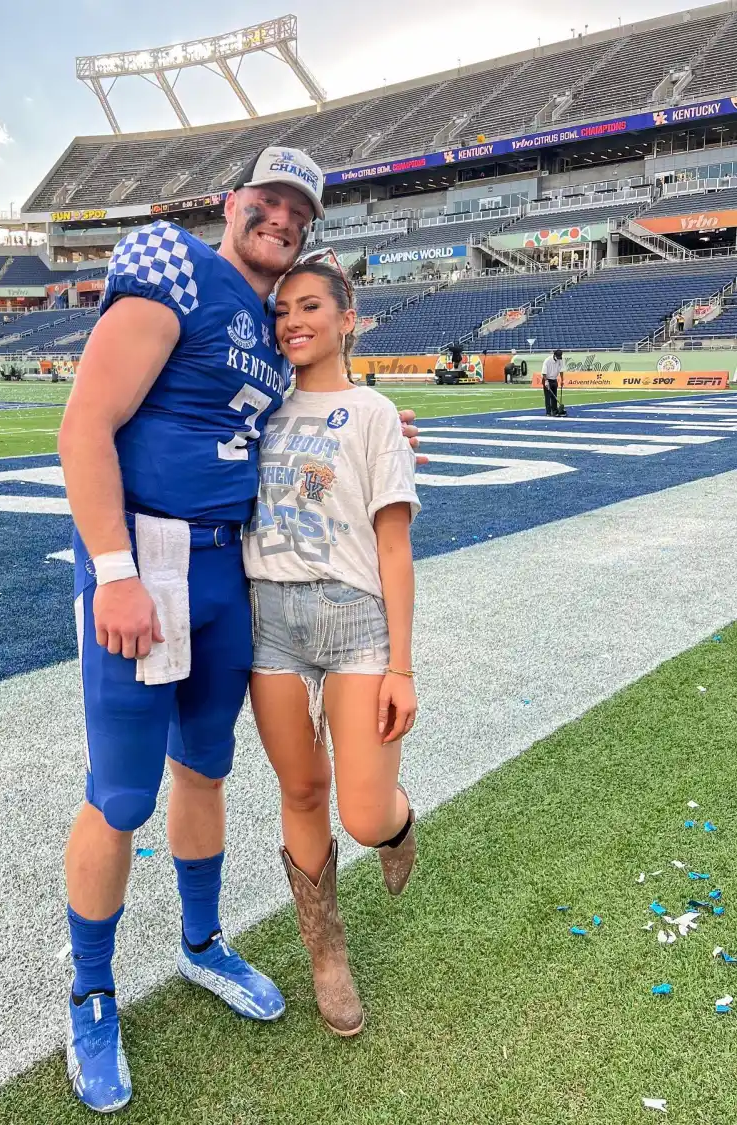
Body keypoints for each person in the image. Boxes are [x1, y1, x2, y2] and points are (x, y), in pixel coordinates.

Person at [57, 146, 422, 1114]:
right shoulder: (176, 266)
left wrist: (382, 419)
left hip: (229, 570)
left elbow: (291, 422)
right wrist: (116, 572)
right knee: (123, 793)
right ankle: (91, 990)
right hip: (152, 560)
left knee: (204, 770)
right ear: (234, 202)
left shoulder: (270, 324)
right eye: (268, 200)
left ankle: (202, 941)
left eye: (300, 209)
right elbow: (84, 425)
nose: (283, 218)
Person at [244, 253, 418, 1037]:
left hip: (354, 619)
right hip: (269, 618)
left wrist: (403, 665)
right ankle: (326, 954)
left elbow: (394, 547)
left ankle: (398, 822)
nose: (293, 322)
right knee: (302, 790)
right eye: (282, 311)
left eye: (310, 306)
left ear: (350, 319)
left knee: (362, 810)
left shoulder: (376, 413)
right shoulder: (258, 411)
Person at [542, 349, 564, 416]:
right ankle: (548, 412)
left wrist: (562, 380)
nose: (558, 359)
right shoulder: (547, 361)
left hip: (554, 379)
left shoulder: (560, 360)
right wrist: (546, 381)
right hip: (547, 379)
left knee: (554, 397)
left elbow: (561, 370)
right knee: (548, 397)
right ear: (554, 355)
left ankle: (554, 411)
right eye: (558, 357)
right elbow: (544, 372)